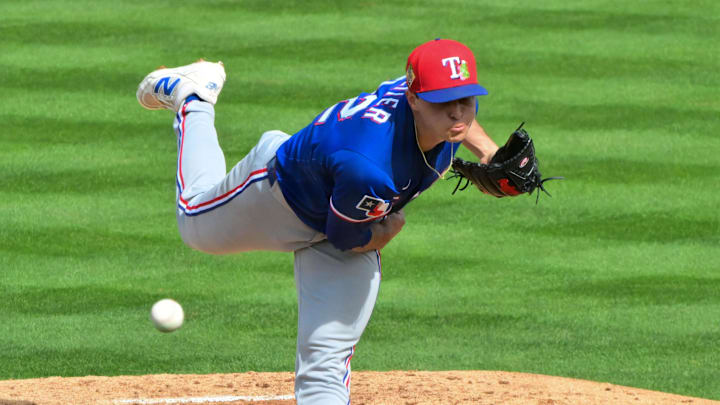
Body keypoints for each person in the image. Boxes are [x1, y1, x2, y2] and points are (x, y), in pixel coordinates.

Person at [136, 38, 500, 405]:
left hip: (347, 207)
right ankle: (193, 96)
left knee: (325, 367)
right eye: (443, 103)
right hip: (281, 198)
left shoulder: (426, 99)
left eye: (466, 100)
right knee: (193, 223)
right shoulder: (369, 165)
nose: (458, 115)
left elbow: (451, 106)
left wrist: (489, 152)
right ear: (414, 99)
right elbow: (344, 236)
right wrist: (383, 235)